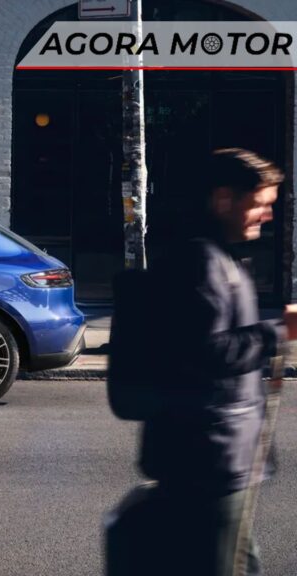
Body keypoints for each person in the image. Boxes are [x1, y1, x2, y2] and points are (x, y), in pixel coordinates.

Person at [139, 148, 297, 575]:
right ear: (224, 199)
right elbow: (204, 351)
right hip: (208, 460)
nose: (266, 216)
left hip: (219, 455)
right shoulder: (200, 261)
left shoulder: (214, 255)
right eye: (260, 203)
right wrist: (279, 331)